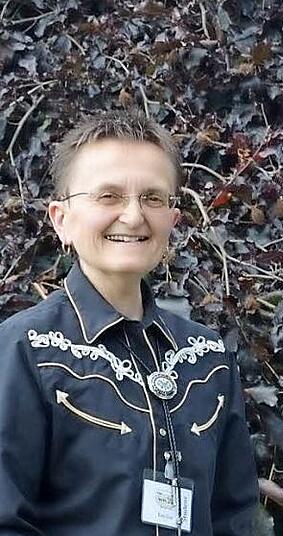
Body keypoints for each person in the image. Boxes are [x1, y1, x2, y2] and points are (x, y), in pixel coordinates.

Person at [0, 111, 259, 534]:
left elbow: (234, 518)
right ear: (61, 219)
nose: (134, 216)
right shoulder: (23, 352)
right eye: (109, 196)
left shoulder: (207, 358)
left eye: (153, 198)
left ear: (173, 220)